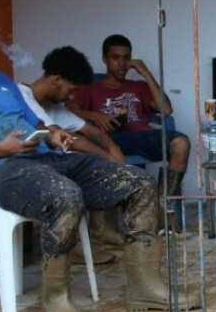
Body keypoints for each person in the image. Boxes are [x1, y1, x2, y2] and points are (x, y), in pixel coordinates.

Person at [0, 11, 198, 312]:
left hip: (44, 160)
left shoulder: (2, 82)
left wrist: (51, 133)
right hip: (1, 171)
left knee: (138, 182)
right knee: (65, 195)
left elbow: (35, 122)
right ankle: (56, 298)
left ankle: (145, 287)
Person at [70, 34, 191, 231]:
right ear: (105, 59)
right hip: (108, 139)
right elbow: (68, 112)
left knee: (181, 143)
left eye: (126, 58)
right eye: (115, 58)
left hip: (141, 135)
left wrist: (145, 73)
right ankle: (105, 228)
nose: (121, 64)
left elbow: (166, 109)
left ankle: (163, 206)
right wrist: (94, 115)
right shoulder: (91, 87)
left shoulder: (139, 86)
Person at [17, 46, 129, 249]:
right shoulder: (22, 96)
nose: (71, 97)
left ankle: (97, 232)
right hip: (26, 169)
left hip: (49, 166)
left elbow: (89, 131)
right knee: (86, 161)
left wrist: (114, 150)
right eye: (71, 90)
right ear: (56, 80)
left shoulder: (53, 106)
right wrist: (107, 158)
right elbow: (66, 137)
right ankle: (74, 244)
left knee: (94, 159)